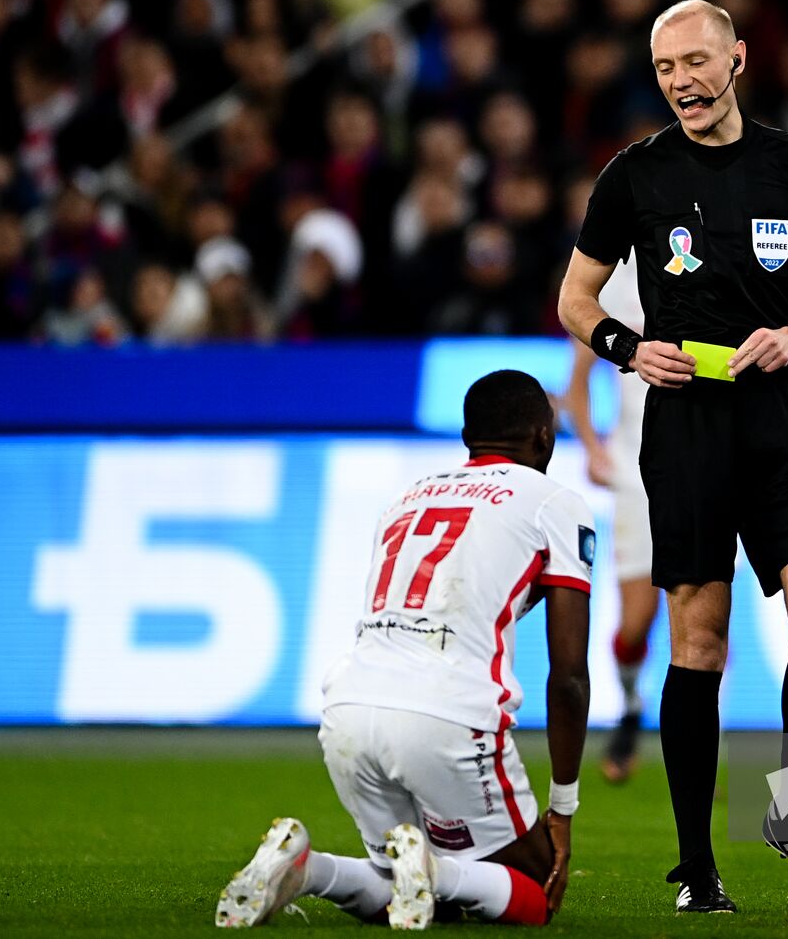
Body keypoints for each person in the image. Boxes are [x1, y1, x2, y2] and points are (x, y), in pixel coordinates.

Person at [556, 0, 788, 913]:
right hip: (687, 421)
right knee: (700, 643)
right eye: (665, 70)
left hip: (784, 414)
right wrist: (624, 347)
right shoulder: (634, 178)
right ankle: (697, 866)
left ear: (737, 59)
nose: (682, 81)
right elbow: (576, 300)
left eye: (696, 61)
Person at [214, 370, 593, 929]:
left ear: (469, 436)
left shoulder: (407, 496)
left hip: (347, 710)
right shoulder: (554, 502)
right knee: (533, 892)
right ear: (543, 435)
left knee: (405, 886)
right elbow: (568, 675)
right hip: (447, 714)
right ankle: (438, 870)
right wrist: (562, 808)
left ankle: (308, 869)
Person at [561, 253, 660, 783]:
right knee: (637, 622)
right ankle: (629, 704)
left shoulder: (709, 249)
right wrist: (593, 446)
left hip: (707, 466)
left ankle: (705, 741)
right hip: (635, 473)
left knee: (711, 615)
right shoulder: (611, 278)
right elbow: (577, 376)